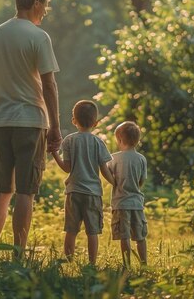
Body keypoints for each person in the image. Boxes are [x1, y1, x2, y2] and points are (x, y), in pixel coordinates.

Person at [0, 0, 62, 258]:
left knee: (2, 189)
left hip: (1, 121)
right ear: (36, 4)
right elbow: (49, 85)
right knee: (25, 191)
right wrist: (56, 126)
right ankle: (18, 255)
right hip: (30, 120)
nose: (46, 12)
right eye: (46, 6)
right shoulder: (38, 36)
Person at [51, 100, 114, 265]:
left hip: (73, 192)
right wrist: (115, 182)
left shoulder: (69, 141)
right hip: (93, 194)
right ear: (96, 123)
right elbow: (104, 169)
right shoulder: (98, 142)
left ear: (73, 120)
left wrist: (54, 154)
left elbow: (66, 168)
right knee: (92, 231)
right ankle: (92, 264)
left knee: (71, 230)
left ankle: (68, 261)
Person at [107, 121, 148, 267]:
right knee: (140, 236)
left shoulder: (113, 158)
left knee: (125, 236)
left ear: (119, 139)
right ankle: (144, 263)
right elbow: (141, 181)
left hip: (120, 203)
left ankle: (127, 265)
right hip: (136, 203)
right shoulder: (141, 159)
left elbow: (108, 175)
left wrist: (115, 182)